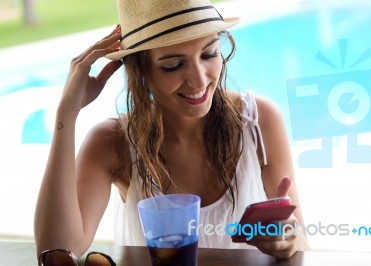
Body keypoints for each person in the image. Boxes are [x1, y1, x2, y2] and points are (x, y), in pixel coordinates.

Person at [34, 0, 309, 262]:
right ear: (140, 71)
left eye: (209, 53)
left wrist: (287, 241)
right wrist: (66, 115)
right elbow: (58, 250)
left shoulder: (258, 121)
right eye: (173, 65)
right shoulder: (113, 142)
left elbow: (300, 241)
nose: (199, 79)